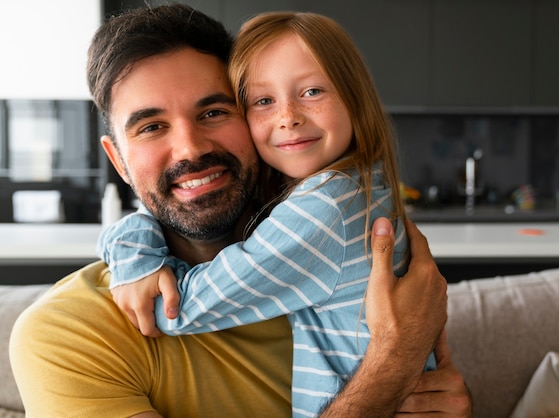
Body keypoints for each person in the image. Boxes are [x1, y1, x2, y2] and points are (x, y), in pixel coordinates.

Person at [9, 4, 471, 418]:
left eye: (214, 112)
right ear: (119, 162)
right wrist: (390, 368)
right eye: (152, 126)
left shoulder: (327, 241)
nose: (190, 147)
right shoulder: (66, 336)